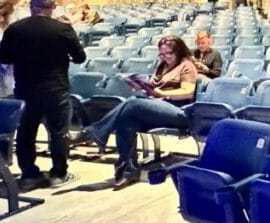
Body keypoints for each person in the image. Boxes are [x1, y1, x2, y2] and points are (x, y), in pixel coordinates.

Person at [0, 0, 86, 188]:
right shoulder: (63, 29)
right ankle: (58, 173)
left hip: (25, 88)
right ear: (53, 6)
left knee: (26, 132)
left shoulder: (15, 28)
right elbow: (80, 57)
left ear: (31, 5)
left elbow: (4, 58)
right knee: (58, 132)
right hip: (56, 88)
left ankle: (29, 174)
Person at [83, 36, 198, 188]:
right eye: (161, 54)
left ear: (178, 51)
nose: (164, 57)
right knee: (126, 122)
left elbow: (188, 92)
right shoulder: (162, 65)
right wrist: (141, 86)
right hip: (157, 106)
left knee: (132, 103)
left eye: (168, 53)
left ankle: (95, 132)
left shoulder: (187, 66)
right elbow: (155, 86)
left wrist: (162, 94)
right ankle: (128, 170)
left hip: (178, 111)